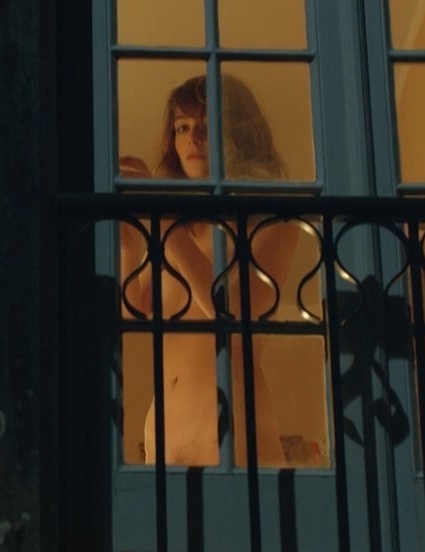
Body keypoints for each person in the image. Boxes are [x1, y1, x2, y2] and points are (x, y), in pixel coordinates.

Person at [119, 74, 300, 467]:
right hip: (161, 442)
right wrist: (128, 241)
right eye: (182, 127)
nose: (194, 138)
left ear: (239, 134)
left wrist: (162, 219)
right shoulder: (177, 232)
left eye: (207, 124)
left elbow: (234, 310)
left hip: (232, 439)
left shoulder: (270, 220)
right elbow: (133, 308)